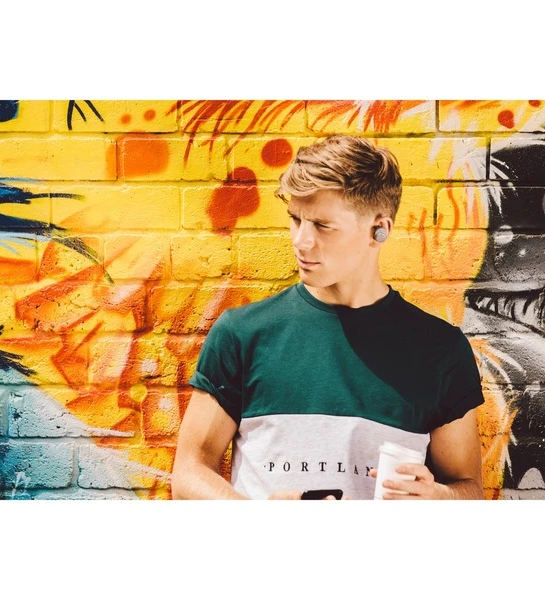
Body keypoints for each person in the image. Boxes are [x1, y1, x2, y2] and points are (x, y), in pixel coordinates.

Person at [171, 135, 484, 500]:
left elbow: (469, 489)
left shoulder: (440, 350)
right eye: (296, 219)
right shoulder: (243, 333)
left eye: (322, 225)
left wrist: (438, 498)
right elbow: (188, 474)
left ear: (379, 229)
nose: (301, 241)